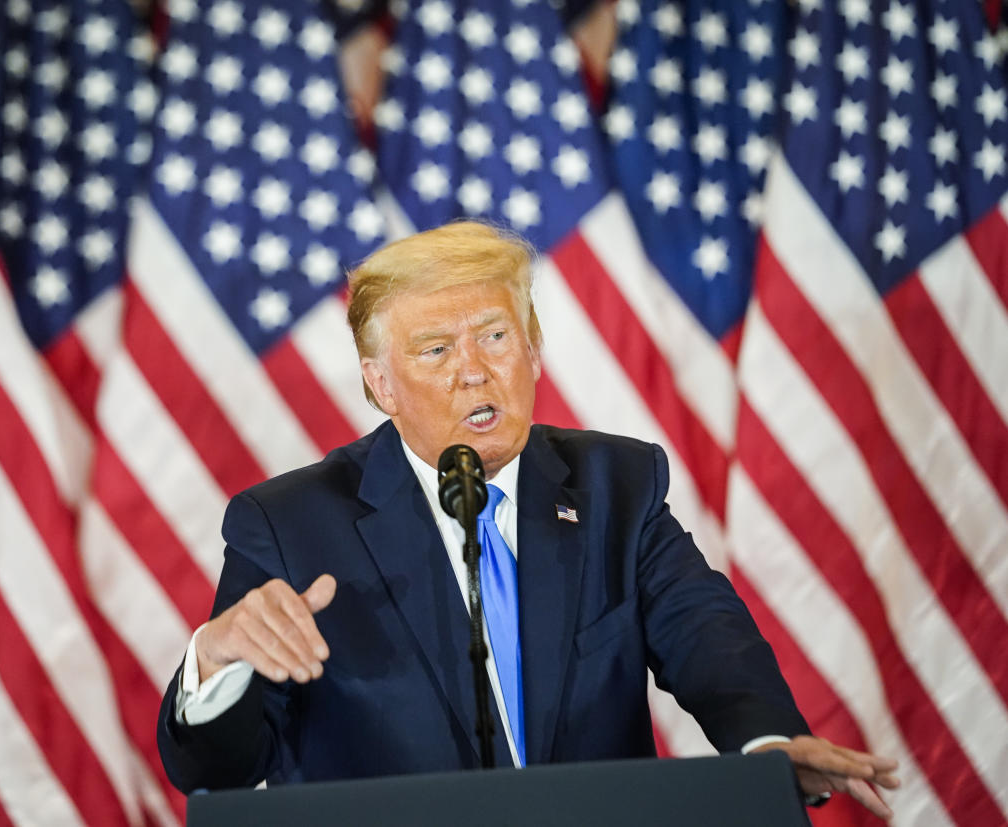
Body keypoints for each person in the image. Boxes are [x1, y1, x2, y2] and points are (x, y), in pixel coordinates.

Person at [157, 221, 899, 817]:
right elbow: (217, 767)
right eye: (436, 349)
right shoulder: (290, 524)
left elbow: (707, 636)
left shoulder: (618, 486)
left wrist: (765, 743)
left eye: (495, 335)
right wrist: (218, 663)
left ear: (535, 347)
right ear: (380, 384)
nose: (473, 369)